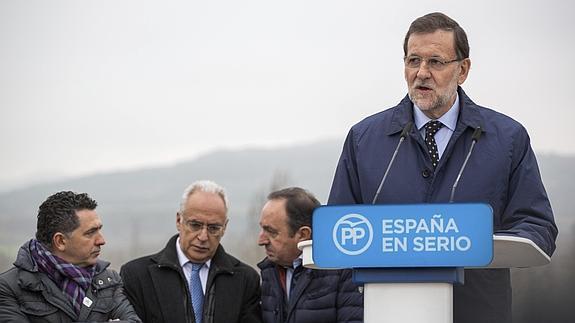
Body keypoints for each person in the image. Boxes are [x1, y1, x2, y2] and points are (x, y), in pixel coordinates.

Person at [328, 12, 558, 323]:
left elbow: (537, 226)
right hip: (387, 311)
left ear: (463, 69)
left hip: (477, 312)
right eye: (413, 61)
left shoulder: (507, 139)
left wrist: (475, 243)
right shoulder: (363, 139)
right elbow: (338, 230)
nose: (421, 73)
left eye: (435, 62)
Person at [120, 180, 262, 323]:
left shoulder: (246, 280)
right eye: (195, 225)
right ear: (178, 220)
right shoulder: (137, 277)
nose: (203, 237)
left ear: (224, 227)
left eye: (213, 228)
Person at [0, 191, 141, 323]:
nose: (101, 240)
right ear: (60, 241)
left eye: (99, 230)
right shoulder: (9, 288)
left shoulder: (108, 281)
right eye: (90, 233)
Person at [257, 187, 363, 323]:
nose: (261, 240)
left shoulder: (342, 271)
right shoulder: (268, 272)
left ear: (303, 234)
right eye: (262, 228)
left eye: (271, 231)